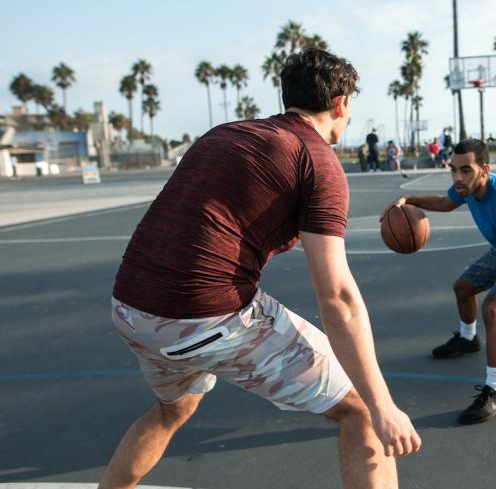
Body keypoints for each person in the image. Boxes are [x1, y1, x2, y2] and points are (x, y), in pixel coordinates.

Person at [101, 48, 420, 489]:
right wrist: (383, 405)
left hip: (130, 308)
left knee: (174, 408)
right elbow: (339, 299)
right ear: (342, 103)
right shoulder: (317, 160)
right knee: (360, 409)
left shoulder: (224, 134)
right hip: (202, 318)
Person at [382, 139, 496, 425]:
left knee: (493, 309)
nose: (458, 177)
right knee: (462, 288)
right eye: (453, 170)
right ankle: (467, 339)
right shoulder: (467, 189)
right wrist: (408, 200)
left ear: (484, 170)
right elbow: (444, 203)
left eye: (466, 170)